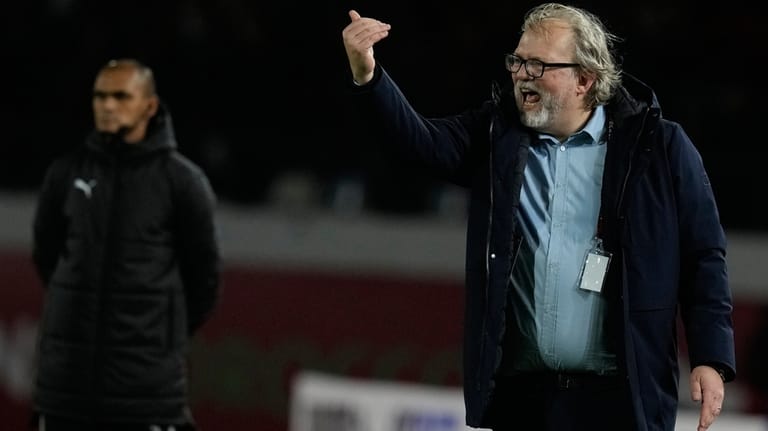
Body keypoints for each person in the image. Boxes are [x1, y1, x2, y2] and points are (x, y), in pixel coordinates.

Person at [341, 3, 735, 431]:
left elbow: (703, 255)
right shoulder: (497, 135)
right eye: (517, 61)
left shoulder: (658, 146)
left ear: (585, 79)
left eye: (538, 64)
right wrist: (368, 74)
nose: (521, 74)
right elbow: (420, 143)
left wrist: (711, 357)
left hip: (621, 403)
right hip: (524, 402)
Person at [30, 58, 221, 431]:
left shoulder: (182, 182)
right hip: (65, 392)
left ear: (149, 106)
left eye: (121, 96)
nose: (107, 105)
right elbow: (47, 259)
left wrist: (158, 335)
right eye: (99, 96)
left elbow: (205, 282)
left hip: (147, 395)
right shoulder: (65, 173)